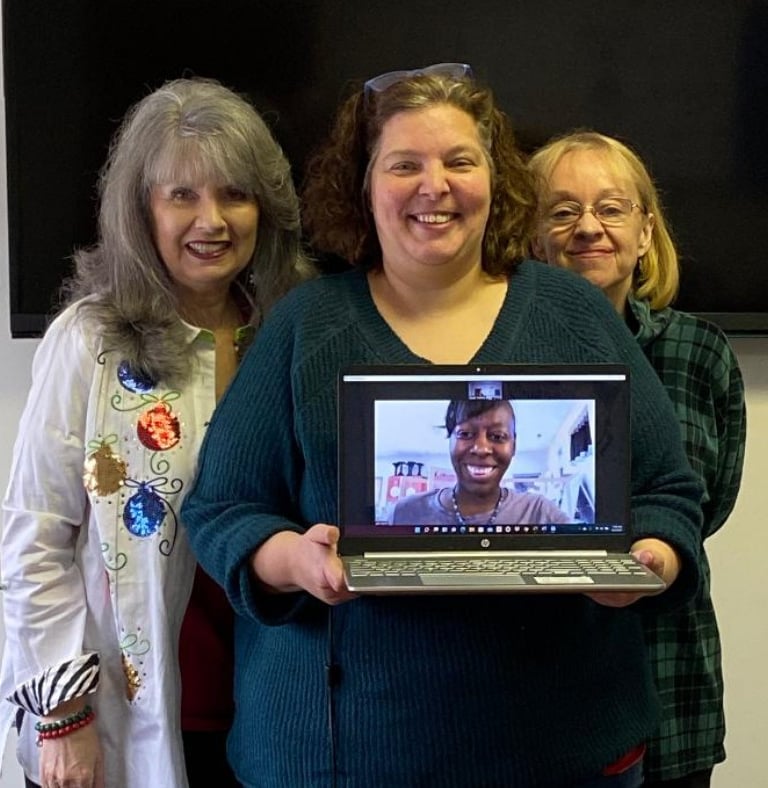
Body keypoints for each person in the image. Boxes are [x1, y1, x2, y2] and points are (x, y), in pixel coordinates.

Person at [180, 64, 705, 787]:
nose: (437, 186)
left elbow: (666, 494)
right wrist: (293, 560)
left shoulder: (574, 314)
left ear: (496, 181)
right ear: (364, 185)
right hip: (342, 755)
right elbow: (221, 508)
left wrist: (650, 561)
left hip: (563, 751)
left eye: (462, 161)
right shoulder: (306, 326)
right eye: (405, 165)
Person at [0, 77, 309, 788]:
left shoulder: (292, 333)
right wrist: (62, 718)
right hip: (126, 717)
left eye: (234, 193)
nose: (214, 220)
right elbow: (35, 536)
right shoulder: (89, 340)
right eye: (183, 196)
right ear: (143, 209)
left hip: (271, 712)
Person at [529, 129, 746, 788]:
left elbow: (704, 504)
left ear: (646, 232)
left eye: (611, 208)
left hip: (670, 676)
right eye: (562, 211)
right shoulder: (503, 357)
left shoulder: (699, 352)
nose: (588, 228)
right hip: (544, 692)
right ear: (531, 235)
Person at [390, 398, 571, 526]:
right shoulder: (404, 512)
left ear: (513, 446)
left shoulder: (540, 512)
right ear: (450, 441)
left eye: (497, 436)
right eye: (466, 434)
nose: (481, 448)